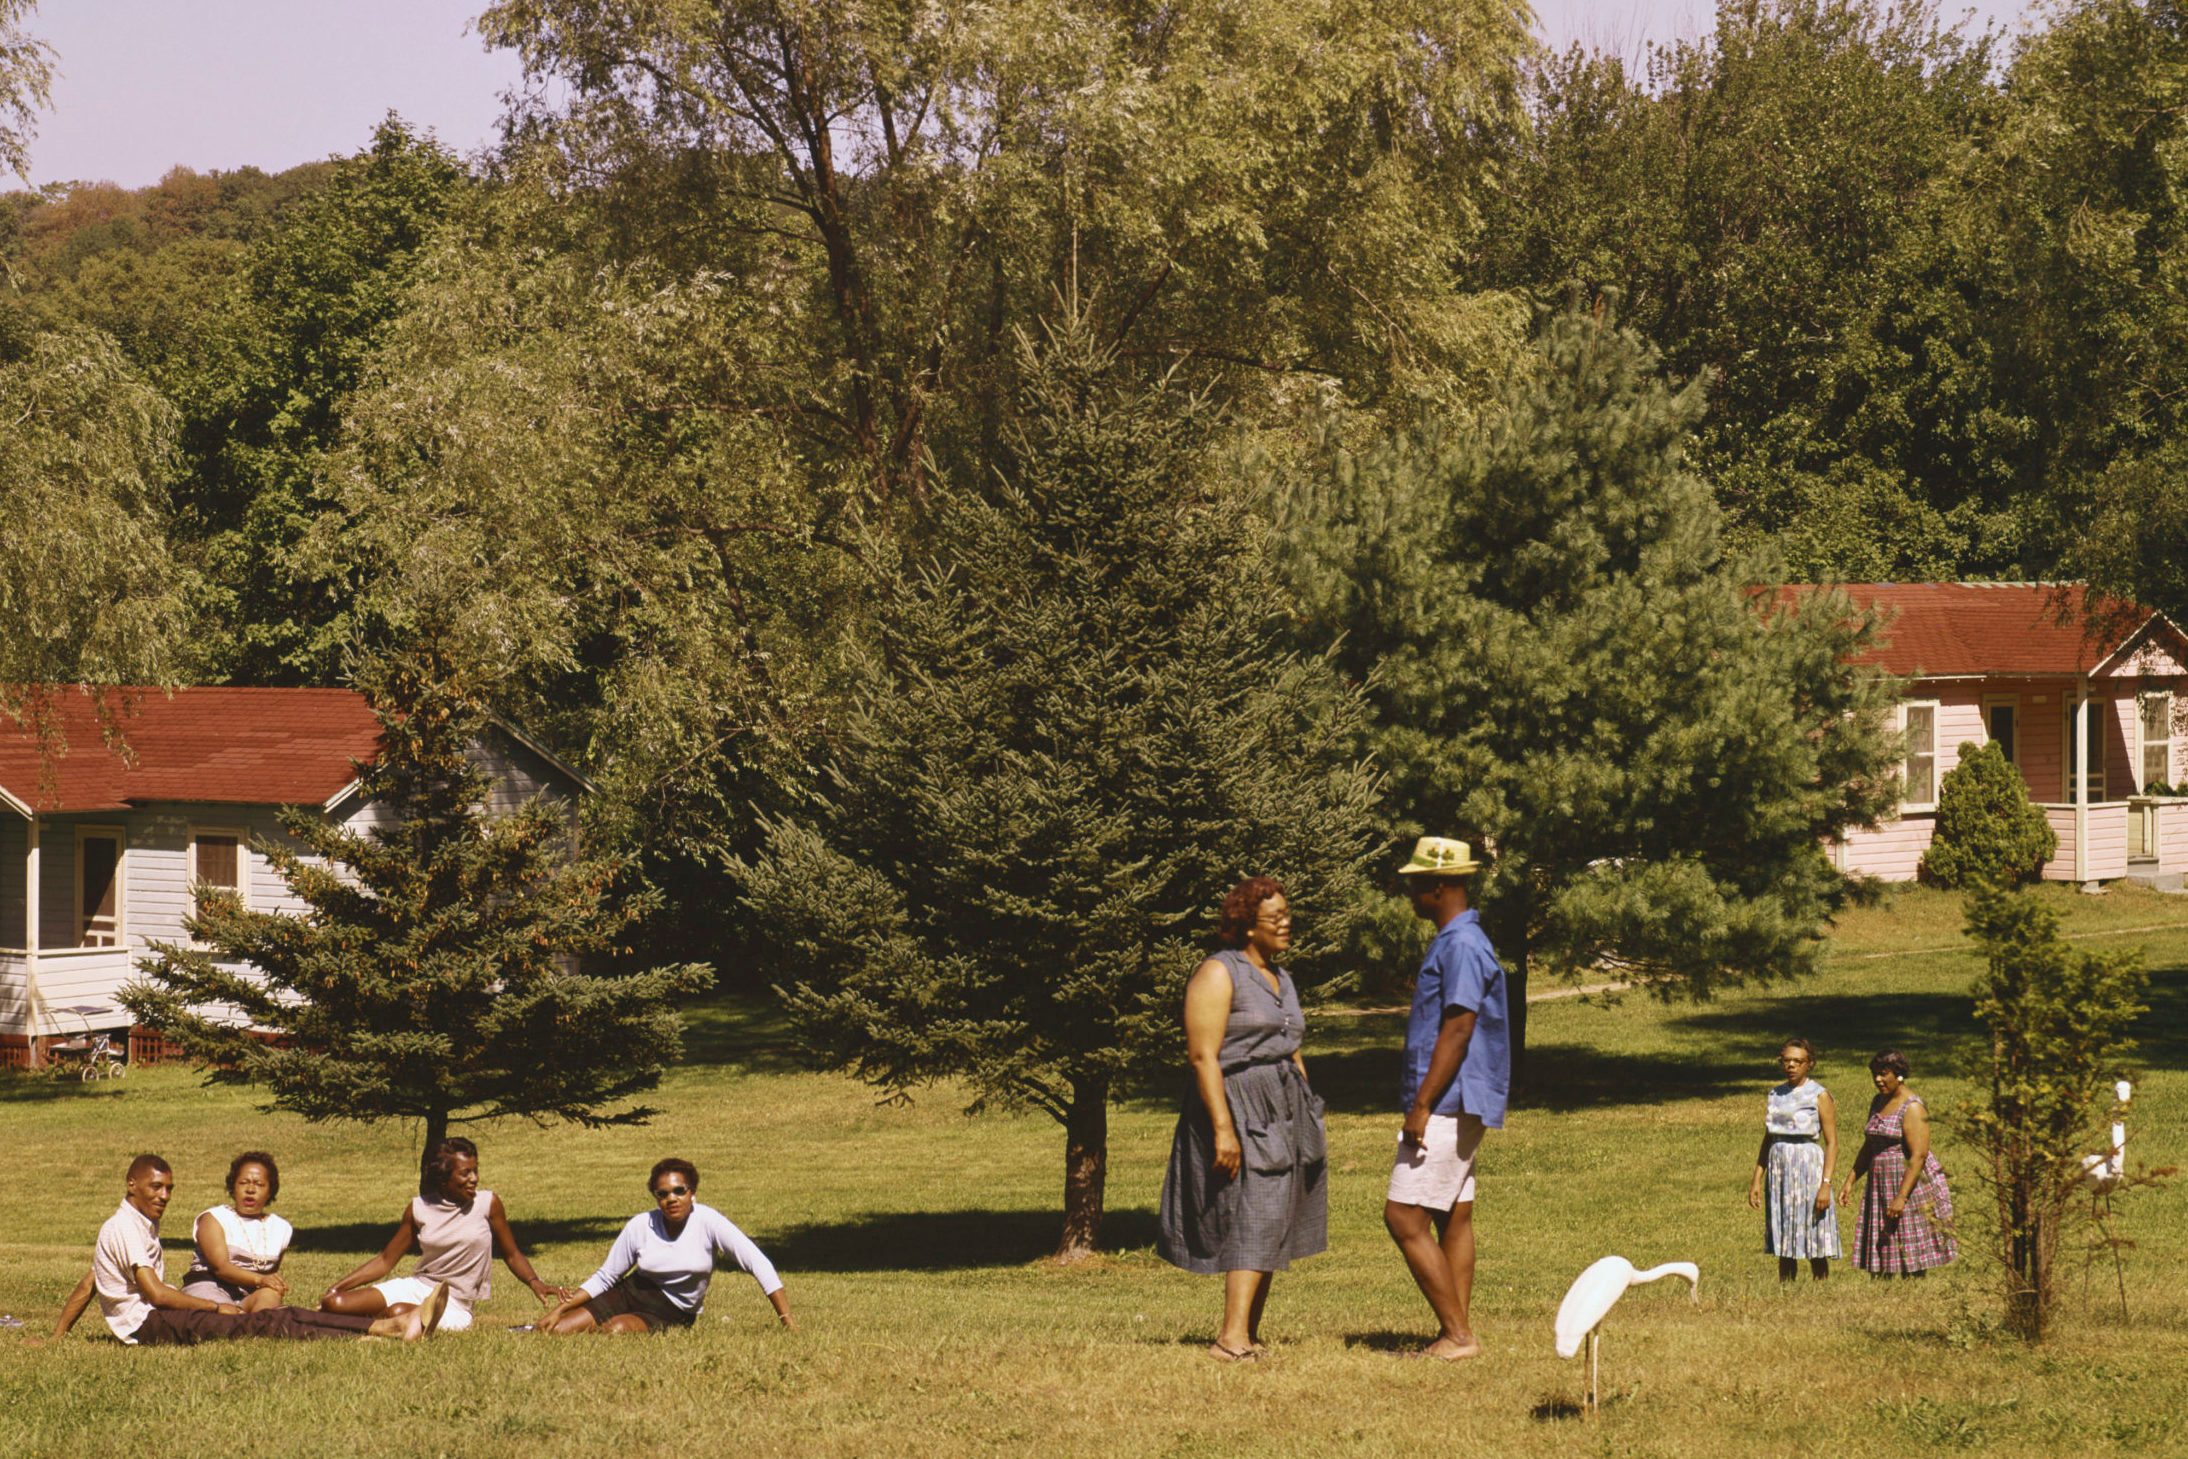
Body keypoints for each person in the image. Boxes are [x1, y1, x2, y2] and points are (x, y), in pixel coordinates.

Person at [1156, 875, 1328, 1361]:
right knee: (1255, 1213)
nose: (1287, 924)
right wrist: (1223, 1128)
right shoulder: (1218, 972)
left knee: (1276, 1215)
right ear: (1247, 926)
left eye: (1288, 915)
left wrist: (1308, 1105)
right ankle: (1230, 1340)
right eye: (1275, 918)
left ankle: (1247, 1334)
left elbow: (1291, 1046)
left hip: (1285, 1105)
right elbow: (1203, 1056)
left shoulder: (1281, 976)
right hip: (1239, 1103)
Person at [77, 1153, 442, 1344]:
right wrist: (215, 1305)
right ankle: (386, 1328)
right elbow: (157, 1293)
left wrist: (54, 1336)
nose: (165, 1196)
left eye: (169, 1188)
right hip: (149, 1326)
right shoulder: (125, 1226)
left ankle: (380, 1331)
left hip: (154, 1321)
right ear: (132, 1184)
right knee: (271, 1322)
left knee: (273, 1318)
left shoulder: (132, 1225)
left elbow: (91, 1280)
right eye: (157, 1188)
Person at [1383, 836, 1509, 1362]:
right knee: (1453, 1215)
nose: (1410, 892)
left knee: (1403, 1216)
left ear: (1439, 885)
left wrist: (1422, 1103)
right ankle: (1456, 1332)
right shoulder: (1463, 938)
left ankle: (1458, 1334)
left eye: (1416, 883)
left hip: (1447, 1100)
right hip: (1461, 1099)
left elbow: (1457, 1030)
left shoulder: (1459, 944)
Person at [320, 1136, 560, 1331]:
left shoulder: (488, 1204)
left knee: (397, 1313)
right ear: (444, 1178)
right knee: (334, 1304)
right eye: (465, 1173)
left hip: (453, 1304)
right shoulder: (419, 1208)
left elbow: (512, 1254)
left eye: (475, 1171)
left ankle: (372, 1325)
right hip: (418, 1286)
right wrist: (336, 1288)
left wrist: (535, 1282)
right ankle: (372, 1325)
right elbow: (385, 1261)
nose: (474, 1179)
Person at [536, 1158, 792, 1335]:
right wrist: (561, 1309)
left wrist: (786, 1320)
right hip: (630, 1292)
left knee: (615, 1331)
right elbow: (606, 1277)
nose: (672, 1199)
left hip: (671, 1311)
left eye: (679, 1191)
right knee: (555, 1331)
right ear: (656, 1197)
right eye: (663, 1194)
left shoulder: (709, 1221)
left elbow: (759, 1264)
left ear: (692, 1192)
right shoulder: (640, 1224)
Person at [1846, 1049, 1956, 1277]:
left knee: (1910, 1237)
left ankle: (1914, 1288)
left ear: (1899, 1074)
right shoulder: (1878, 1101)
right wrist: (1851, 1179)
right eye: (1874, 1074)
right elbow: (1869, 1144)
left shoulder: (1912, 1106)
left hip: (1908, 1181)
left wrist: (1901, 1197)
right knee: (1883, 1237)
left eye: (1883, 1074)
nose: (1877, 1079)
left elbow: (1918, 1156)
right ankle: (1884, 1284)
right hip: (1880, 1180)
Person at [1747, 1039, 1840, 1281]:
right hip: (1780, 1166)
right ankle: (1786, 1288)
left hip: (1808, 1166)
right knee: (1784, 1227)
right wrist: (1757, 1178)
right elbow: (1768, 1138)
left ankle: (1821, 1285)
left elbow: (1832, 1143)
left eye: (1797, 1061)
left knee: (1813, 1228)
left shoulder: (1819, 1095)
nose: (1791, 1065)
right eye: (1786, 1060)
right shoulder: (1775, 1094)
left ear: (1809, 1064)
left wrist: (1826, 1183)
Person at [179, 1151, 293, 1311]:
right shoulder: (214, 1218)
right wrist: (260, 1280)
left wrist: (270, 1286)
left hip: (248, 1295)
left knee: (270, 1294)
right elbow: (221, 1268)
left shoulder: (281, 1228)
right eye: (243, 1182)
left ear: (270, 1191)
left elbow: (270, 1276)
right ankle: (247, 1321)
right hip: (209, 1288)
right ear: (233, 1186)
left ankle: (257, 1322)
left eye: (259, 1184)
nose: (250, 1189)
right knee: (227, 1316)